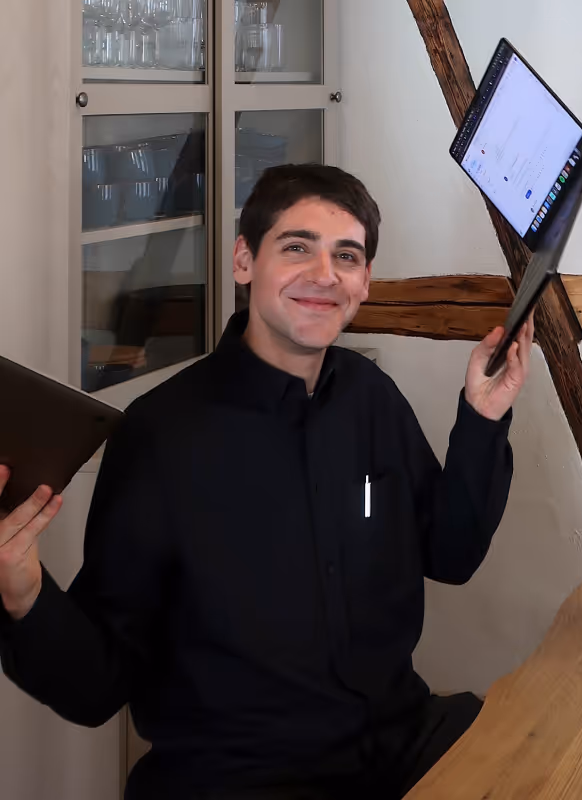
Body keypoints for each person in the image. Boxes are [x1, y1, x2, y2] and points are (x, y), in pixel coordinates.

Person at [0, 164, 534, 799]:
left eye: (346, 256)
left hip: (397, 744)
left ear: (363, 282)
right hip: (239, 778)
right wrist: (25, 596)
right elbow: (96, 687)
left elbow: (452, 554)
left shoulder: (371, 397)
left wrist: (481, 419)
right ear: (244, 261)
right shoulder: (161, 435)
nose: (325, 274)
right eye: (297, 247)